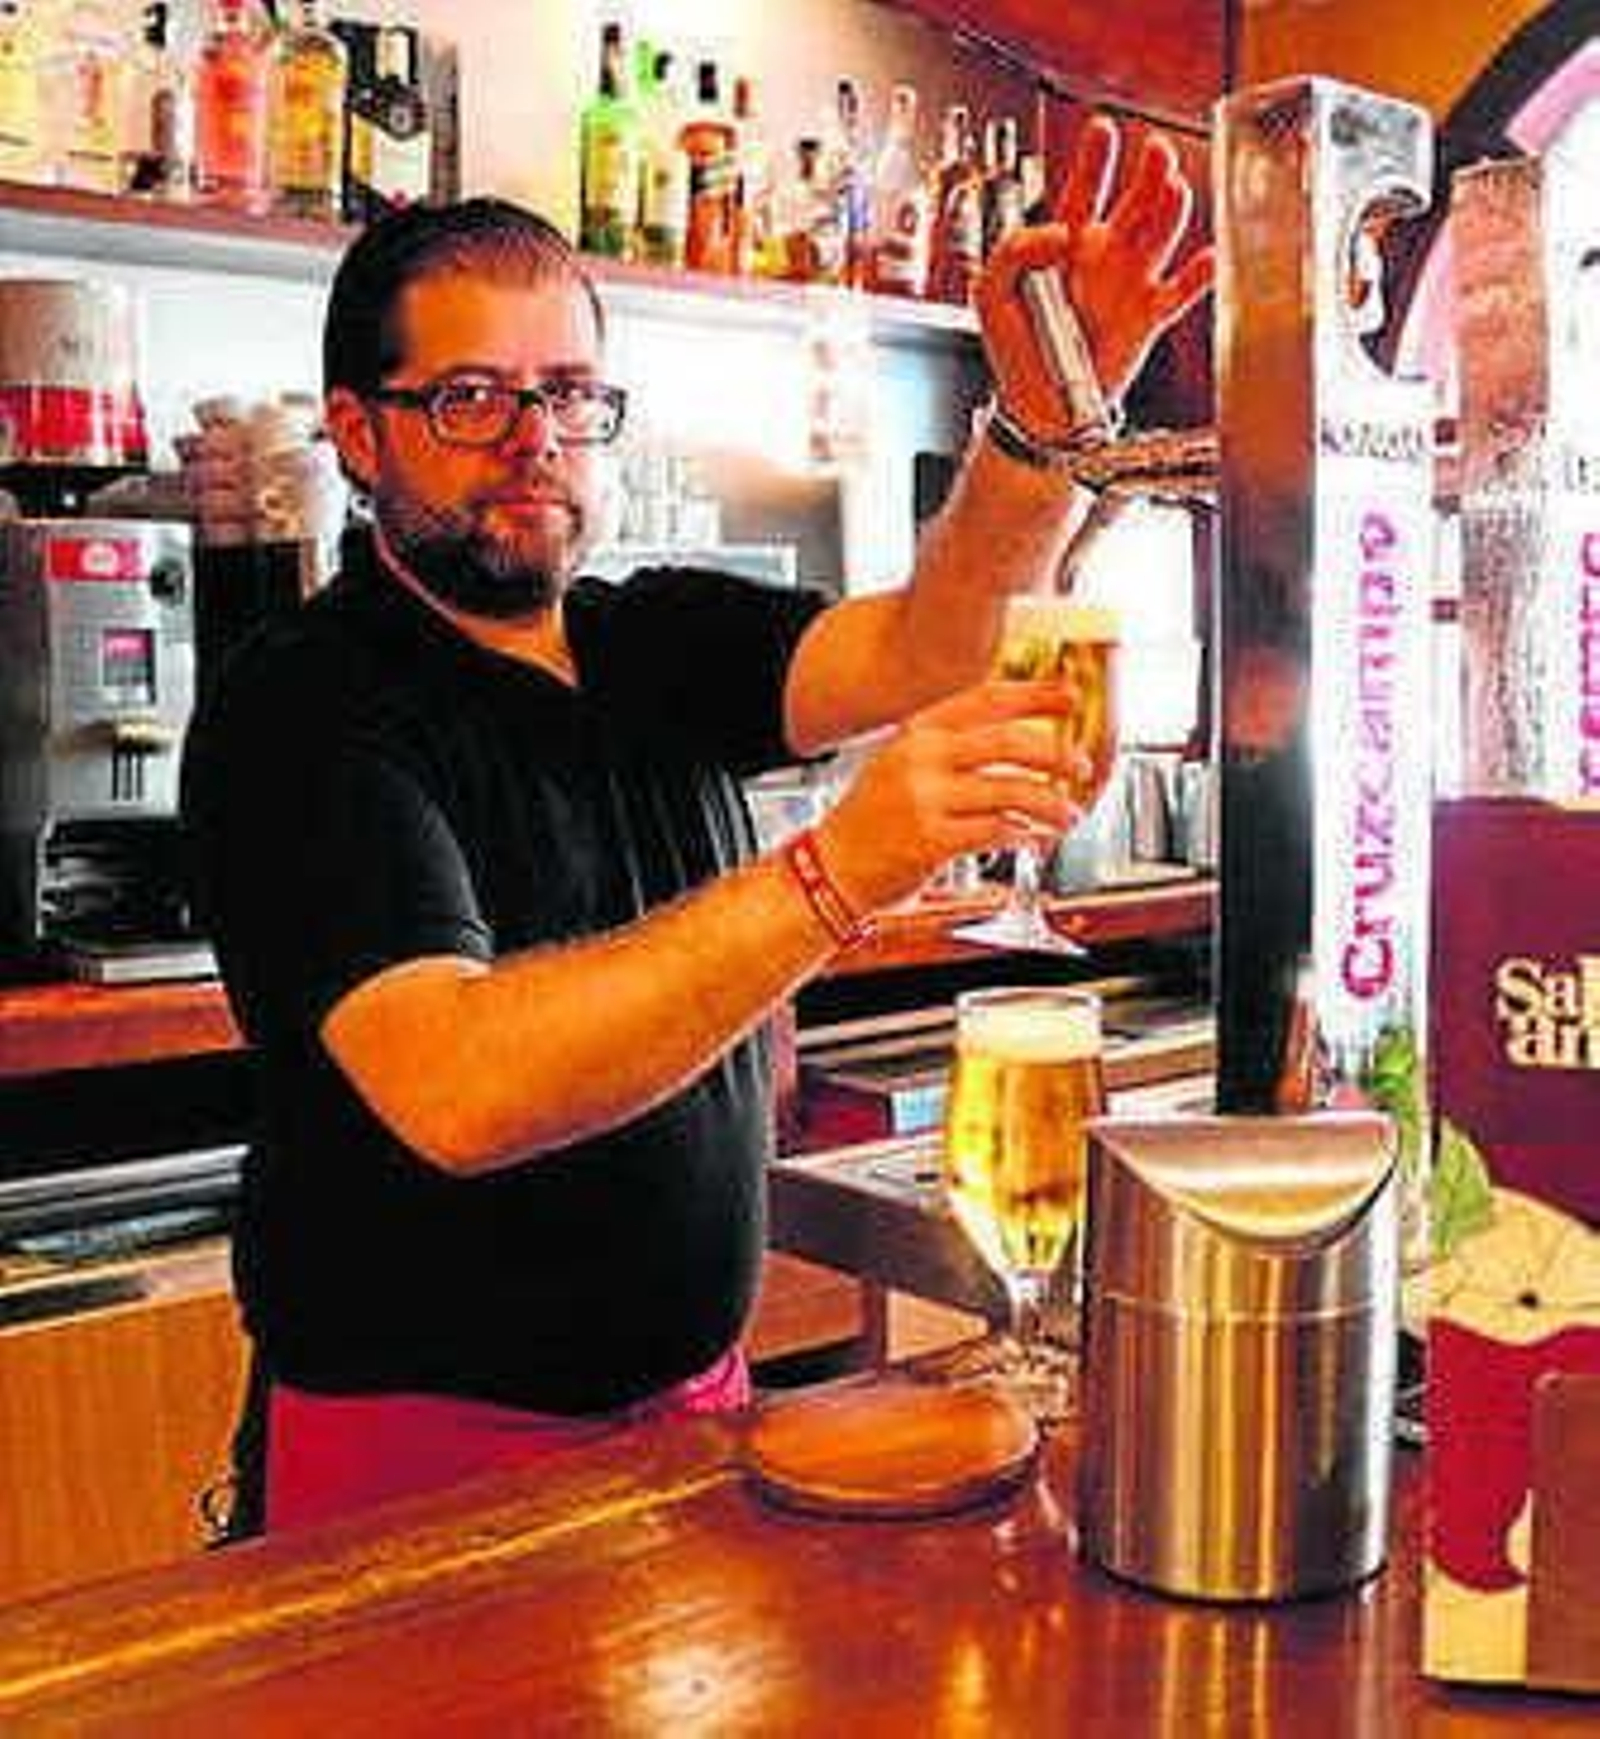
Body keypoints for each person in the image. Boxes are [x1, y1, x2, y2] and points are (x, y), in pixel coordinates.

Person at [181, 114, 1211, 1533]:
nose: (536, 441)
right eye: (471, 397)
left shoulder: (650, 635)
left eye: (571, 394)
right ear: (359, 434)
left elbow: (934, 645)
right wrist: (847, 866)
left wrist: (1037, 426)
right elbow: (460, 1087)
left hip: (699, 1424)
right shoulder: (302, 706)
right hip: (416, 1467)